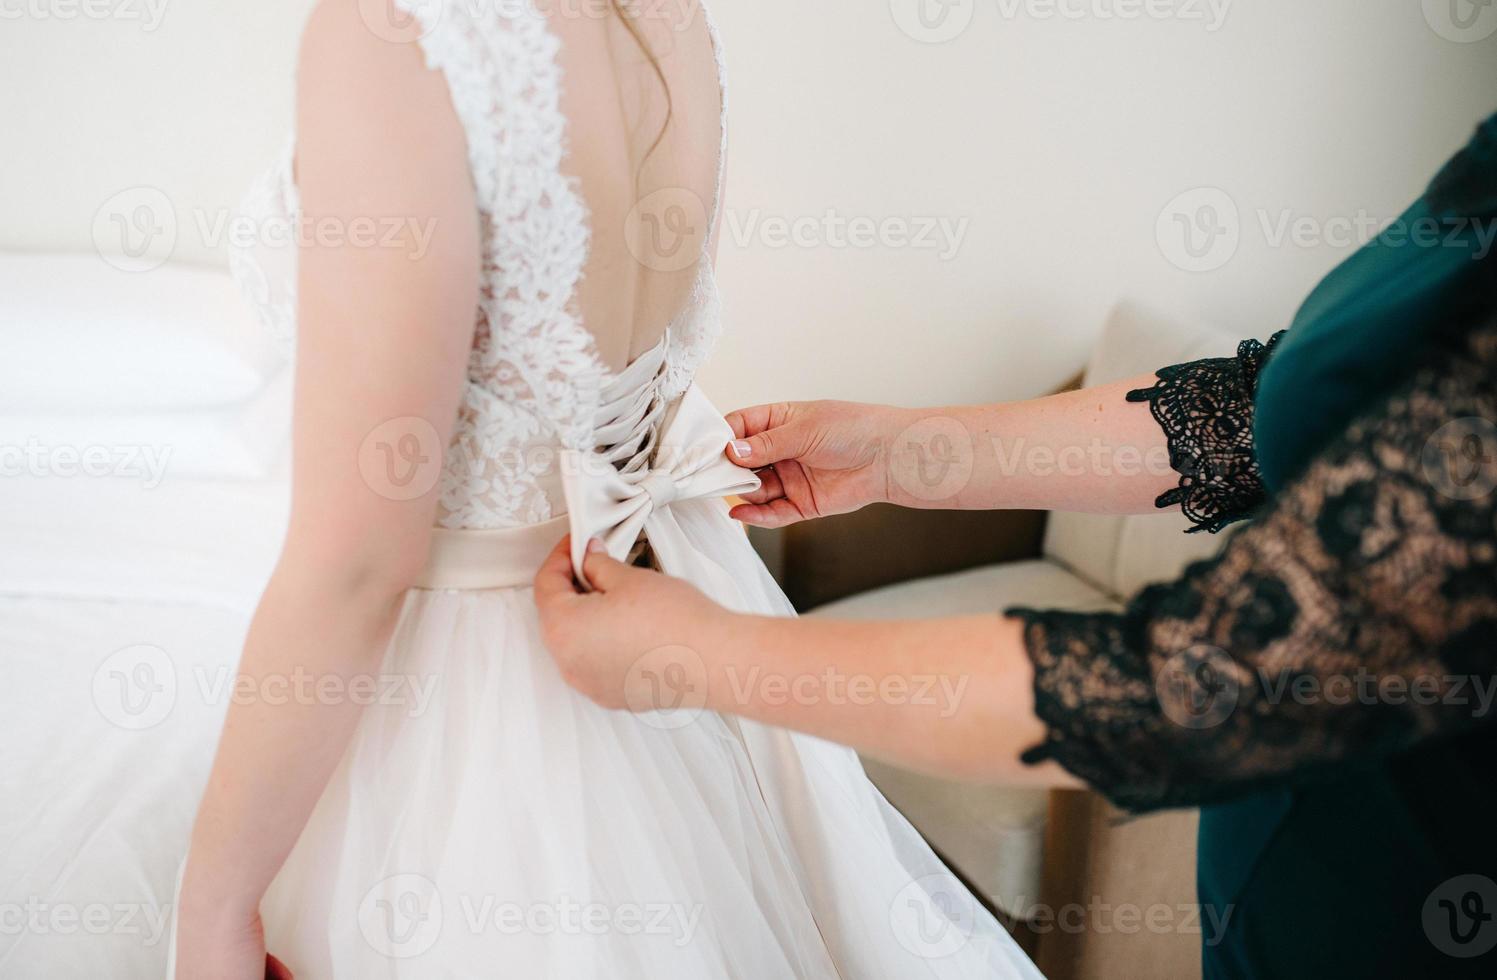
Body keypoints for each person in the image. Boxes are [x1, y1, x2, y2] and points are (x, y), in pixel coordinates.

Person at [171, 0, 1043, 977]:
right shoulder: (668, 19)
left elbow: (358, 560)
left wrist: (213, 912)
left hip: (449, 708)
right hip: (648, 623)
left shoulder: (391, 32)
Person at [536, 112, 1497, 978]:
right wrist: (904, 456)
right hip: (1273, 902)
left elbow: (1193, 682)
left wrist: (705, 654)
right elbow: (1251, 412)